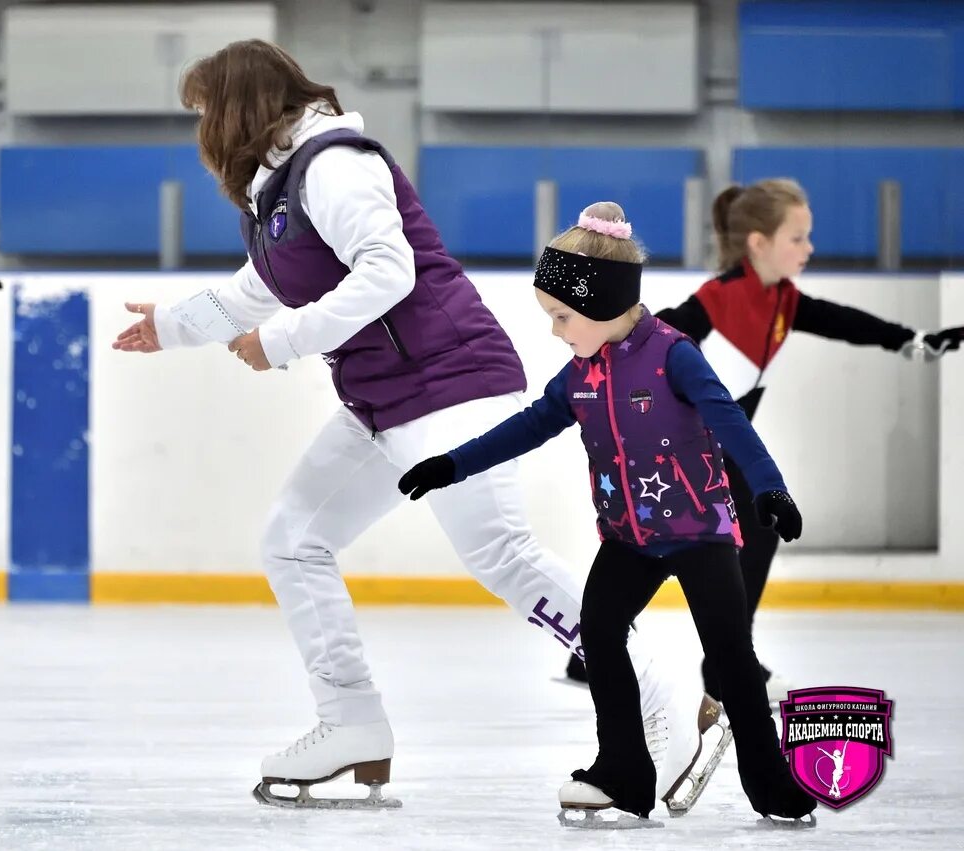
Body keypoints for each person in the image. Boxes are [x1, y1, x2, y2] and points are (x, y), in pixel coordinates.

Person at [112, 39, 718, 810]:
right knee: (294, 539)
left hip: (451, 384)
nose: (202, 132)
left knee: (501, 553)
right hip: (383, 400)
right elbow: (251, 295)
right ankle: (352, 723)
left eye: (205, 113)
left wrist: (285, 342)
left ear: (239, 109)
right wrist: (166, 326)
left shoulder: (335, 164)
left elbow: (387, 271)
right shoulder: (283, 190)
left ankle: (660, 703)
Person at [399, 201, 818, 822]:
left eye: (562, 316)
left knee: (731, 658)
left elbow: (729, 422)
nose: (556, 330)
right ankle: (623, 771)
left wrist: (770, 490)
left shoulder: (673, 354)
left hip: (700, 533)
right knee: (599, 634)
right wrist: (451, 464)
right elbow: (528, 427)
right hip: (629, 538)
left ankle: (771, 782)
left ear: (599, 303)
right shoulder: (579, 376)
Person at [561, 178, 964, 703]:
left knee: (747, 532)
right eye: (798, 237)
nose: (809, 248)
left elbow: (841, 321)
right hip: (681, 450)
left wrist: (913, 342)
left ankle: (715, 659)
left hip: (719, 450)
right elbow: (650, 333)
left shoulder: (783, 301)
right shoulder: (719, 297)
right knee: (669, 548)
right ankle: (663, 655)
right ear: (758, 242)